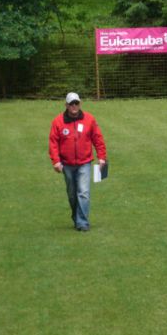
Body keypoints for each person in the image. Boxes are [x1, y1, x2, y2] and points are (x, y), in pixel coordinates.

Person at [49, 92, 107, 231]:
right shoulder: (58, 122)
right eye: (71, 104)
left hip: (84, 162)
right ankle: (76, 217)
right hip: (67, 164)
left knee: (84, 192)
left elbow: (97, 139)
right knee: (72, 194)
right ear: (66, 105)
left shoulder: (89, 119)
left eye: (76, 103)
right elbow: (53, 143)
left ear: (80, 104)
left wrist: (102, 157)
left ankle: (82, 223)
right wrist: (56, 161)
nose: (74, 106)